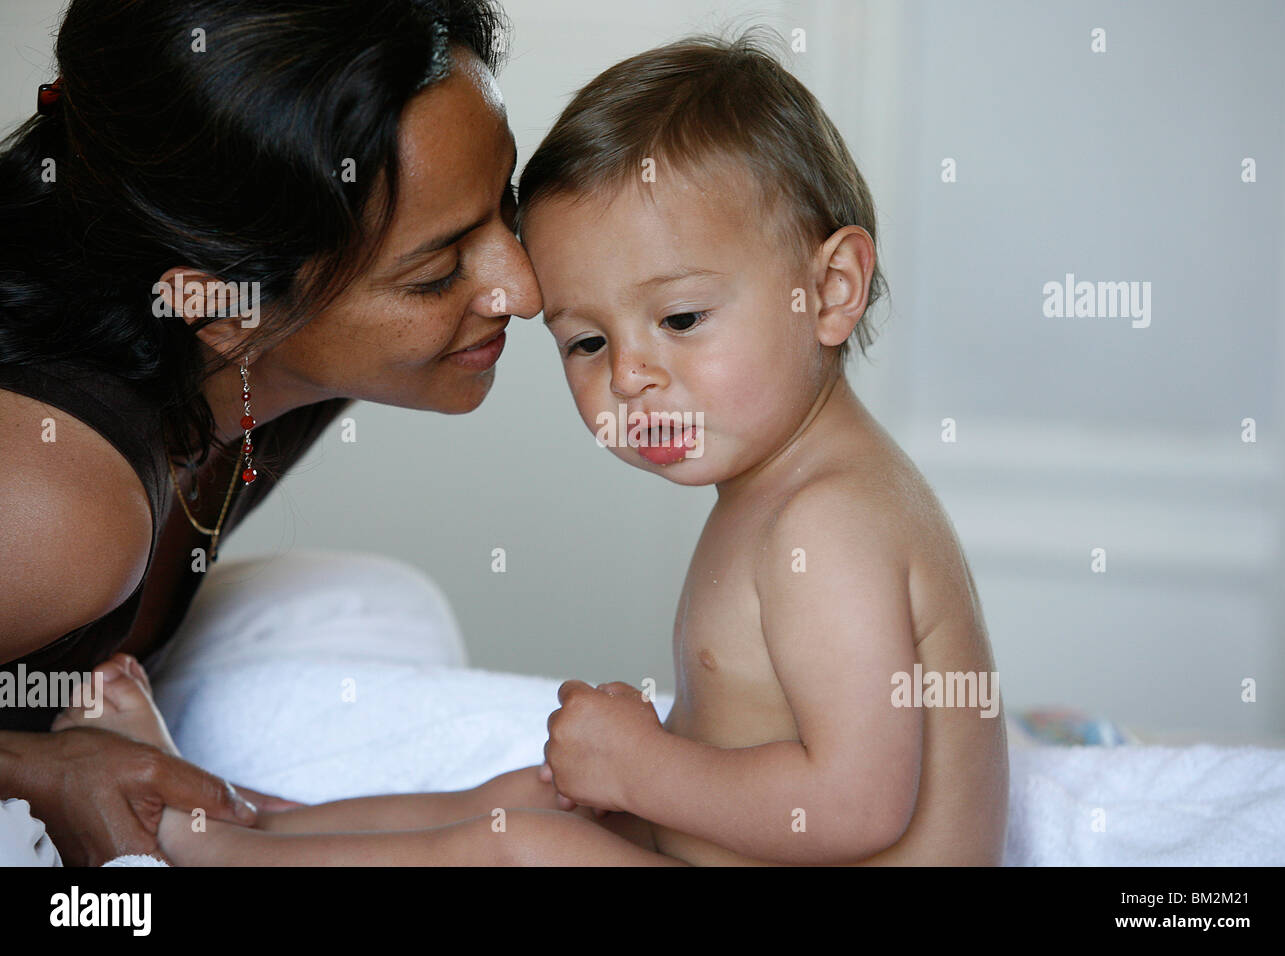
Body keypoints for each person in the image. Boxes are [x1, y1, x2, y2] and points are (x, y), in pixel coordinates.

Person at [57, 31, 1008, 865]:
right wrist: (636, 777)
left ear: (832, 288)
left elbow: (855, 806)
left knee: (521, 845)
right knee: (530, 798)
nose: (630, 375)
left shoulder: (830, 523)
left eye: (680, 317)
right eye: (587, 342)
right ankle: (248, 823)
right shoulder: (786, 486)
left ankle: (211, 861)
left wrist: (646, 768)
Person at [0, 0, 540, 865]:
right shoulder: (56, 501)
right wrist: (40, 772)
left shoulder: (279, 337)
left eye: (505, 200)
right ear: (221, 307)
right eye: (437, 273)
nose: (522, 286)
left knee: (384, 609)